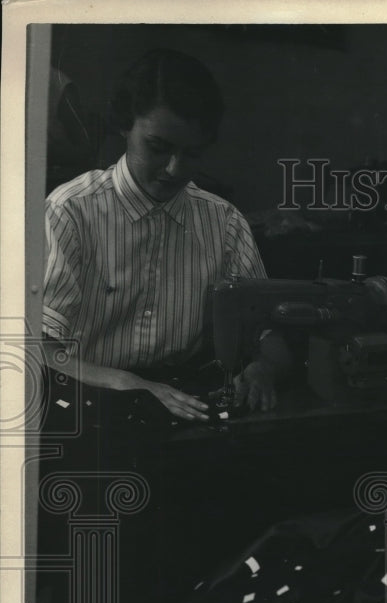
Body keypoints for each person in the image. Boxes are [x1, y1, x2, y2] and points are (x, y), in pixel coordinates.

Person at [42, 48, 289, 420]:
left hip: (186, 400)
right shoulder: (70, 211)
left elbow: (267, 334)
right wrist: (130, 384)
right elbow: (40, 349)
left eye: (192, 154)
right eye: (158, 148)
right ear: (125, 124)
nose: (174, 169)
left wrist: (264, 367)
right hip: (88, 402)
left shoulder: (225, 222)